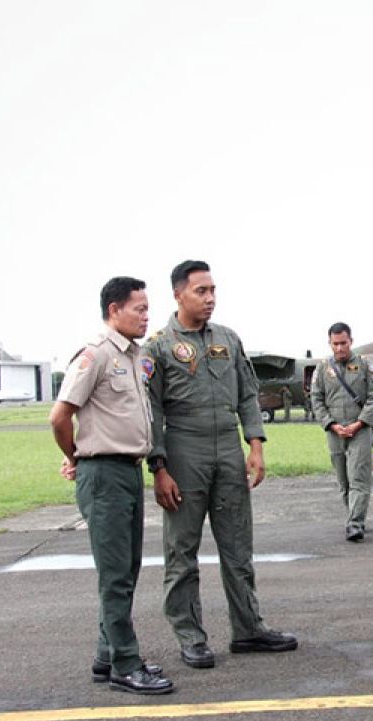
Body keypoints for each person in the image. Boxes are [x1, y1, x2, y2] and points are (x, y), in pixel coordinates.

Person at [143, 260, 298, 669]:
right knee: (182, 552)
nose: (210, 298)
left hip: (228, 450)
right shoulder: (158, 346)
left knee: (238, 548)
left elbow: (248, 394)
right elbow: (151, 410)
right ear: (178, 294)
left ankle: (248, 630)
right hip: (182, 450)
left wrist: (256, 445)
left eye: (213, 290)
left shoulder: (228, 339)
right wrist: (159, 467)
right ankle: (190, 636)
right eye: (201, 291)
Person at [49, 276, 173, 695]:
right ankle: (125, 663)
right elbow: (60, 417)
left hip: (126, 472)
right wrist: (76, 458)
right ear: (114, 310)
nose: (146, 315)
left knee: (127, 569)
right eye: (138, 308)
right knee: (116, 575)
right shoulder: (95, 355)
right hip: (102, 474)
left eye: (146, 308)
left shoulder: (134, 357)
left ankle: (107, 654)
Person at [309, 322, 373, 542]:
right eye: (335, 344)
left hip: (360, 430)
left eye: (344, 343)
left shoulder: (365, 365)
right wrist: (330, 424)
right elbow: (316, 398)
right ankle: (353, 515)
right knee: (344, 482)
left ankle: (355, 523)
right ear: (329, 343)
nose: (340, 348)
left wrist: (359, 423)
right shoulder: (322, 369)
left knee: (359, 477)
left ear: (351, 341)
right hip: (335, 431)